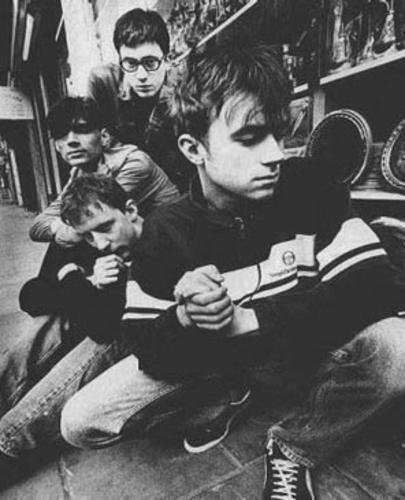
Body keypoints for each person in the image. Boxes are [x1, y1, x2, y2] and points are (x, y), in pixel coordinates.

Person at [58, 40, 405, 499]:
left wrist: (248, 319)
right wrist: (186, 317)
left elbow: (378, 289)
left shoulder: (313, 185)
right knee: (80, 422)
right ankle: (226, 401)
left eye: (279, 134)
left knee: (398, 345)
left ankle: (296, 445)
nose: (275, 154)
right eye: (249, 137)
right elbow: (146, 346)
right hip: (220, 369)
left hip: (305, 354)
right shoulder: (163, 233)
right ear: (193, 148)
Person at [29, 95, 179, 247]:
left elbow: (92, 219)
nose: (71, 141)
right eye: (61, 134)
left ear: (104, 137)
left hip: (171, 240)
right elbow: (37, 226)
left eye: (82, 130)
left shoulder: (133, 162)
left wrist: (62, 228)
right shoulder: (78, 173)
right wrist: (59, 228)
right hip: (130, 240)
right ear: (56, 146)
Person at [87, 8, 194, 192]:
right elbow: (92, 143)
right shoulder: (104, 82)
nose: (141, 75)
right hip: (123, 182)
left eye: (150, 62)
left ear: (167, 59)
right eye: (130, 63)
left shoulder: (185, 85)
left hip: (176, 188)